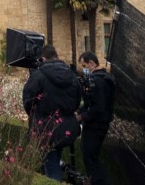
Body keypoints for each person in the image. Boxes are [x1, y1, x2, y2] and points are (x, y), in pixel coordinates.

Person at [23, 45, 81, 182]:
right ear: (57, 56)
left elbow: (28, 101)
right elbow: (78, 100)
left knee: (52, 167)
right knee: (53, 159)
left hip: (46, 128)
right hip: (66, 127)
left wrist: (36, 115)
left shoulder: (39, 76)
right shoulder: (72, 75)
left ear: (43, 59)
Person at [76, 51, 116, 185]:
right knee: (91, 157)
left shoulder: (98, 81)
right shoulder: (105, 78)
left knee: (90, 158)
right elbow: (91, 103)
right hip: (99, 124)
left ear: (91, 63)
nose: (84, 69)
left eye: (84, 66)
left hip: (96, 126)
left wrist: (82, 117)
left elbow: (98, 107)